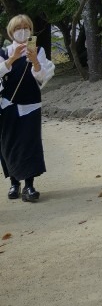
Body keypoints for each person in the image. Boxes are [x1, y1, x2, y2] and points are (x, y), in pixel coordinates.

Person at [0, 14, 55, 202]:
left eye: (26, 28)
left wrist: (35, 62)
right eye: (17, 28)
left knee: (29, 144)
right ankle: (14, 183)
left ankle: (29, 187)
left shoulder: (37, 50)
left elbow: (42, 78)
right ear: (11, 32)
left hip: (31, 104)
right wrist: (12, 59)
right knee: (9, 144)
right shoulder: (4, 52)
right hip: (8, 105)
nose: (22, 31)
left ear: (31, 30)